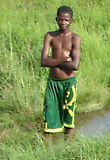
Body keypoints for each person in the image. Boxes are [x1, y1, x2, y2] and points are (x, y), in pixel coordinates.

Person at [41, 6, 81, 139]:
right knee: (49, 120)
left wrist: (53, 61)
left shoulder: (75, 38)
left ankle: (68, 151)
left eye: (66, 20)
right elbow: (43, 61)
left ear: (71, 21)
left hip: (69, 83)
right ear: (56, 19)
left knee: (69, 121)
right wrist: (63, 59)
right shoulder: (50, 36)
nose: (63, 22)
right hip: (53, 83)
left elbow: (75, 65)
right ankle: (48, 154)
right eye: (60, 19)